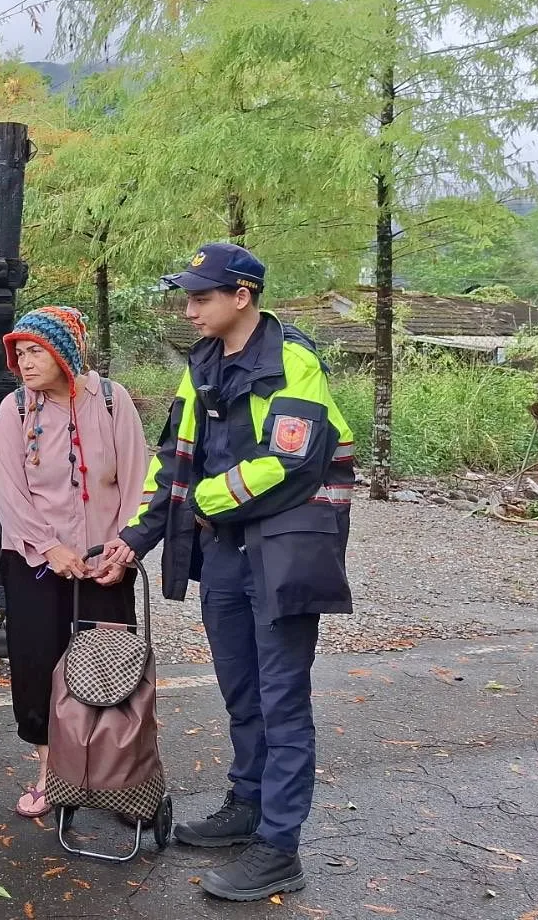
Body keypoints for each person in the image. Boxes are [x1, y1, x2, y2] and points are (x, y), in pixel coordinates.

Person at [101, 242, 355, 903]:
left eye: (200, 297)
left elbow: (290, 464)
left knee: (283, 701)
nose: (188, 309)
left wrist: (205, 503)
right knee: (243, 693)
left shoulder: (292, 362)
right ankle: (246, 804)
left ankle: (279, 847)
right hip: (227, 556)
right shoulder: (203, 366)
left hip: (285, 553)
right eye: (187, 296)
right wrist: (135, 538)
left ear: (241, 296)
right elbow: (172, 460)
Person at [0, 306, 149, 821]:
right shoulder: (14, 410)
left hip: (106, 566)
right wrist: (49, 547)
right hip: (37, 564)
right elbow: (8, 492)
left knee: (110, 671)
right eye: (20, 354)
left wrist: (123, 548)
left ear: (65, 352)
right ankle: (50, 775)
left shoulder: (111, 400)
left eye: (36, 351)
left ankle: (115, 779)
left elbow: (135, 479)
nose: (25, 363)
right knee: (38, 672)